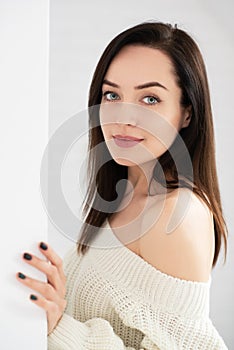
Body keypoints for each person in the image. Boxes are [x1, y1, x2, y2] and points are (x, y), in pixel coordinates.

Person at [16, 21, 229, 349]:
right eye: (112, 94)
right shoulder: (121, 197)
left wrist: (59, 326)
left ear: (187, 112)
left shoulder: (175, 214)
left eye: (150, 99)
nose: (123, 117)